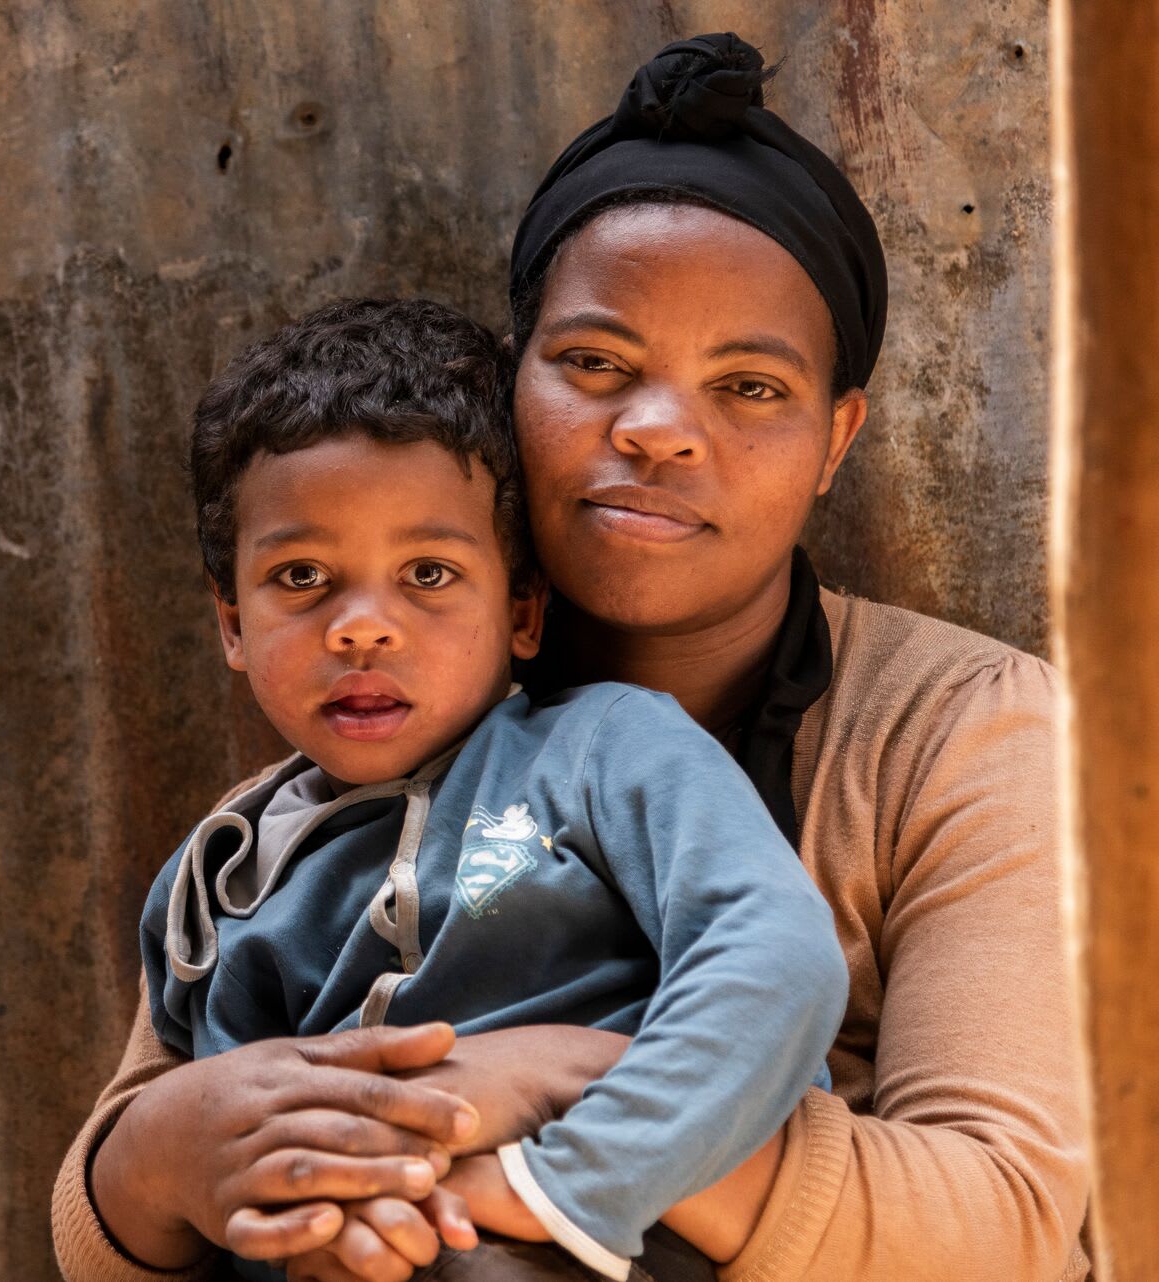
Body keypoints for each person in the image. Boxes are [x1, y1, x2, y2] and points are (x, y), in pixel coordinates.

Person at [53, 32, 1088, 1282]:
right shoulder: (357, 744)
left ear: (836, 437)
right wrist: (181, 1147)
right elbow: (123, 1201)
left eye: (751, 387)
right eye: (594, 364)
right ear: (512, 387)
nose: (656, 432)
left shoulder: (964, 730)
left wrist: (568, 1094)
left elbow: (1010, 1224)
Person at [134, 296, 846, 1281]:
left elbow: (779, 965)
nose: (361, 627)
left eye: (427, 571)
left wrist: (557, 1186)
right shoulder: (214, 882)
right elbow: (223, 1149)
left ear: (521, 609)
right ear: (231, 622)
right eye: (302, 576)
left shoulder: (604, 751)